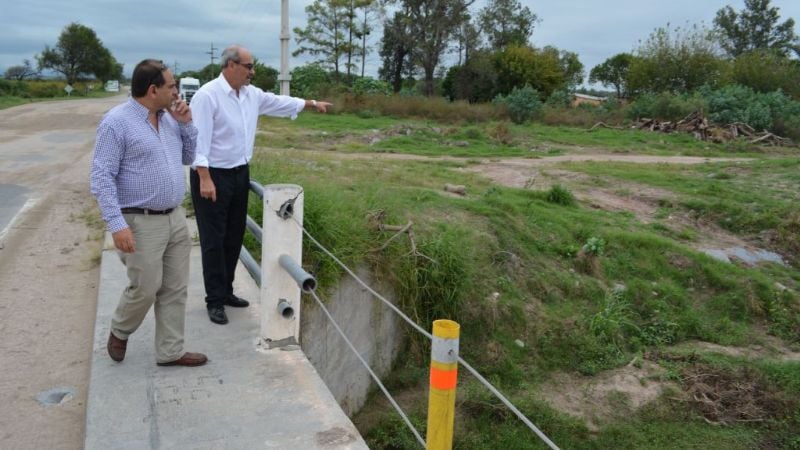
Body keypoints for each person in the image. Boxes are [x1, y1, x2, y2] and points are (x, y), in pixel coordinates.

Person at [190, 44, 331, 325]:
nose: (252, 72)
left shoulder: (251, 95)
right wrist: (204, 177)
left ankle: (227, 291)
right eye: (248, 66)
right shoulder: (208, 96)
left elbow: (280, 103)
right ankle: (214, 300)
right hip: (212, 176)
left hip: (240, 173)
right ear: (231, 65)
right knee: (213, 240)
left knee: (233, 235)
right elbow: (198, 141)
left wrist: (311, 104)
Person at [90, 59, 207, 367]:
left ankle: (170, 351)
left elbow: (188, 156)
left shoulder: (169, 118)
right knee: (145, 287)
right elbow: (101, 177)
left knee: (175, 288)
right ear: (153, 89)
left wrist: (187, 125)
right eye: (172, 86)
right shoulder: (116, 122)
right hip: (138, 221)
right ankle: (120, 328)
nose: (177, 92)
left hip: (174, 217)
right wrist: (116, 225)